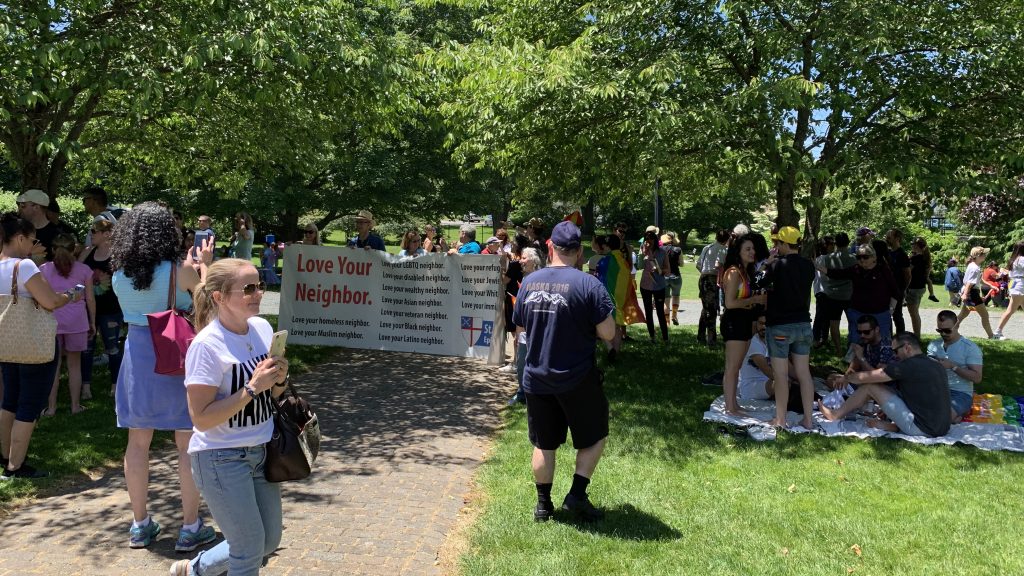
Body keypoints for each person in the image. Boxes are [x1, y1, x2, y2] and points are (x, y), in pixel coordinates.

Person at [168, 259, 289, 576]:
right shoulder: (207, 346)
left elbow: (273, 394)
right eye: (248, 288)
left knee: (267, 541)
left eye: (260, 285)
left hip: (262, 451)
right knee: (248, 549)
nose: (258, 293)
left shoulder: (262, 329)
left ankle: (195, 569)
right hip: (221, 458)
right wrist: (251, 388)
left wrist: (278, 380)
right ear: (219, 297)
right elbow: (201, 419)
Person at [111, 202, 217, 550]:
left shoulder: (119, 273)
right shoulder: (178, 269)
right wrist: (206, 266)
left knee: (137, 443)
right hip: (175, 356)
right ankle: (190, 526)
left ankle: (140, 524)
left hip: (137, 357)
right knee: (186, 443)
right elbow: (207, 304)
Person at [512, 221, 616, 522]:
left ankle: (543, 505)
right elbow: (609, 333)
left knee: (543, 443)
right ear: (579, 251)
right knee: (595, 435)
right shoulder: (589, 285)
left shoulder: (529, 282)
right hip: (577, 377)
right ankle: (577, 495)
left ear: (550, 247)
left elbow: (520, 328)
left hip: (536, 376)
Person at [0, 213, 84, 479]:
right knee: (29, 404)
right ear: (20, 238)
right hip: (33, 345)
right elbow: (50, 302)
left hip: (6, 343)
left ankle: (4, 457)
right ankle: (16, 466)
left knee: (9, 400)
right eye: (32, 240)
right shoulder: (24, 266)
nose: (33, 245)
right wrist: (70, 295)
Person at [819, 332, 951, 438]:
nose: (895, 356)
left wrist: (846, 377)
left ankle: (835, 414)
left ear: (907, 348)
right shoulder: (934, 364)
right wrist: (889, 408)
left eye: (896, 351)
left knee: (869, 387)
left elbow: (870, 377)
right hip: (942, 428)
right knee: (883, 389)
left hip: (922, 429)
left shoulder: (908, 365)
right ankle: (893, 426)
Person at [759, 226, 816, 430]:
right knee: (804, 374)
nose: (776, 246)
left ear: (784, 244)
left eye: (778, 243)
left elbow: (758, 282)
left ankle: (780, 419)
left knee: (781, 375)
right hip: (803, 323)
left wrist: (766, 264)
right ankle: (808, 419)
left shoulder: (777, 265)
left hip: (780, 325)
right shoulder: (809, 266)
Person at [40, 234, 95, 416]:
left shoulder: (44, 269)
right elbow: (90, 299)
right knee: (74, 365)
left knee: (53, 367)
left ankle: (51, 408)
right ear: (74, 250)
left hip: (51, 321)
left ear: (53, 250)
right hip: (77, 322)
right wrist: (93, 321)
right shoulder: (84, 270)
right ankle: (75, 406)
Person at [720, 234, 767, 414]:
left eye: (753, 249)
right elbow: (729, 303)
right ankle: (730, 407)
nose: (752, 252)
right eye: (747, 249)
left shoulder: (746, 272)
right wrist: (753, 300)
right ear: (738, 252)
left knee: (737, 367)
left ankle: (733, 404)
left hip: (744, 321)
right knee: (732, 367)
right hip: (734, 322)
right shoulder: (733, 272)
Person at [820, 243, 899, 346]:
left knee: (883, 344)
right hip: (857, 313)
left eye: (865, 257)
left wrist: (891, 310)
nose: (862, 260)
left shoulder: (883, 270)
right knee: (855, 343)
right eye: (859, 257)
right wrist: (820, 267)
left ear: (874, 257)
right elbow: (838, 274)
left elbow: (895, 291)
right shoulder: (856, 269)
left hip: (880, 314)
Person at [80, 219, 124, 397]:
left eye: (94, 231)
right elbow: (76, 273)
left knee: (113, 348)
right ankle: (85, 387)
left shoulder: (117, 255)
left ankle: (115, 386)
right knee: (86, 348)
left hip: (111, 309)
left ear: (106, 234)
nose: (91, 235)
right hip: (88, 309)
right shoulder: (87, 252)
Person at [927, 310, 983, 421]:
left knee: (941, 419)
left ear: (957, 325)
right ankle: (957, 414)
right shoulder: (934, 345)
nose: (943, 334)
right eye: (940, 330)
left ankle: (959, 413)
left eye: (947, 330)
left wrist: (953, 366)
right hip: (936, 389)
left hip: (960, 393)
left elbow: (977, 378)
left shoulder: (970, 348)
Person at [816, 232, 856, 353]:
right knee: (853, 323)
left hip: (832, 295)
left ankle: (839, 350)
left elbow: (823, 276)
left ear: (836, 243)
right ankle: (851, 349)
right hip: (849, 294)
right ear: (848, 243)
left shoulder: (827, 258)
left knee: (834, 324)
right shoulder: (854, 258)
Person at [696, 229, 729, 348]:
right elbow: (718, 264)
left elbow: (698, 265)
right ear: (727, 239)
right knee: (712, 310)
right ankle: (711, 340)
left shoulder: (707, 247)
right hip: (712, 279)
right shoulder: (723, 249)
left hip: (703, 277)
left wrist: (705, 272)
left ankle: (700, 336)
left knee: (706, 308)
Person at [956, 246, 996, 339]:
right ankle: (991, 336)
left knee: (963, 314)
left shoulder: (973, 265)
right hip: (971, 292)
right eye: (983, 254)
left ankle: (950, 330)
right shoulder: (975, 268)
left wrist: (990, 286)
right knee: (985, 315)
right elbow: (970, 283)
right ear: (978, 255)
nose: (985, 255)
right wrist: (965, 294)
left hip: (971, 291)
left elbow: (979, 280)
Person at [638, 230, 669, 343]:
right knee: (648, 311)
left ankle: (665, 338)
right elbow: (640, 266)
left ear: (655, 240)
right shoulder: (643, 252)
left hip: (659, 285)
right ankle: (652, 337)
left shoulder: (662, 252)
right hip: (645, 285)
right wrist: (642, 254)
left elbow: (668, 270)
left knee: (660, 311)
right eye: (647, 239)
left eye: (651, 238)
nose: (649, 241)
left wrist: (659, 270)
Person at [906, 237, 938, 338]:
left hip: (913, 288)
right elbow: (926, 276)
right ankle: (917, 335)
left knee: (914, 314)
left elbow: (907, 272)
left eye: (912, 244)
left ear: (916, 246)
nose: (911, 245)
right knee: (915, 312)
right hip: (921, 288)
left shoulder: (914, 259)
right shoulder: (925, 259)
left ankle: (917, 336)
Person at [15, 189, 59, 263]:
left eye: (23, 206)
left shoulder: (56, 235)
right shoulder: (18, 230)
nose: (19, 209)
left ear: (36, 207)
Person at [995, 241, 1024, 340]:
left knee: (1011, 309)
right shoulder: (1021, 259)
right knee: (1010, 310)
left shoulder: (1014, 259)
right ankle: (997, 332)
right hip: (1020, 286)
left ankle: (998, 331)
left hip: (1017, 284)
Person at [885, 229, 912, 334]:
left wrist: (903, 289)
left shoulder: (902, 255)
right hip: (887, 290)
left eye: (889, 236)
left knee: (896, 315)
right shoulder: (888, 253)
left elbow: (908, 275)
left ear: (897, 238)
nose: (887, 238)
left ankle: (900, 338)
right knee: (888, 314)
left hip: (897, 291)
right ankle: (889, 338)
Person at [661, 232, 683, 325]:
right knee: (676, 296)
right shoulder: (678, 249)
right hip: (676, 276)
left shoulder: (661, 249)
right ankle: (674, 316)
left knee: (666, 300)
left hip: (664, 277)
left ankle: (667, 322)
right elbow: (681, 264)